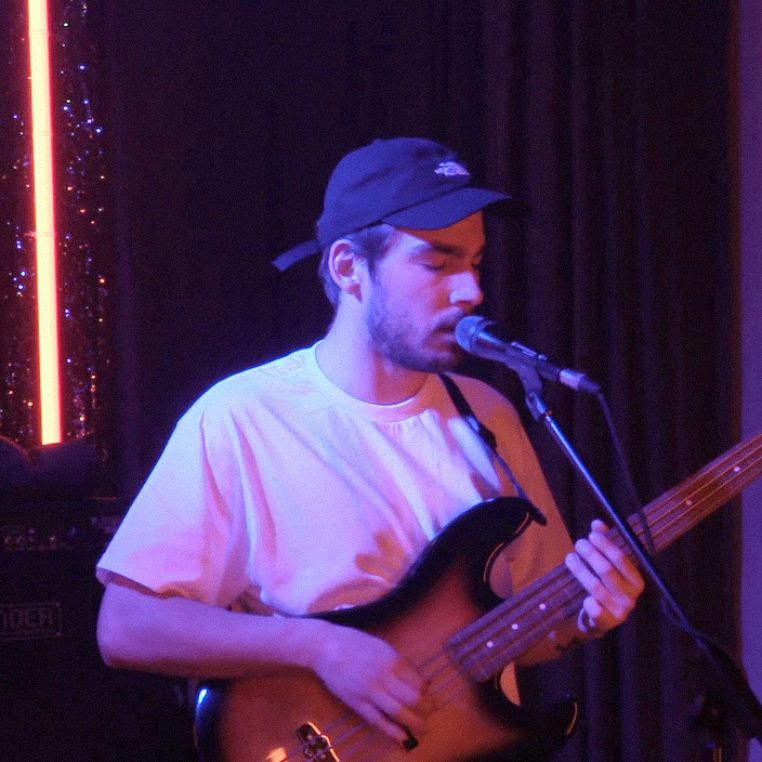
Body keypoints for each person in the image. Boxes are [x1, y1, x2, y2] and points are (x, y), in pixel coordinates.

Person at [96, 137, 644, 750]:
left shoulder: (487, 415)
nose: (471, 291)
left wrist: (585, 617)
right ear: (348, 267)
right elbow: (125, 625)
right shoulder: (243, 416)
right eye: (438, 264)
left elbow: (531, 631)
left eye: (475, 262)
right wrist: (320, 646)